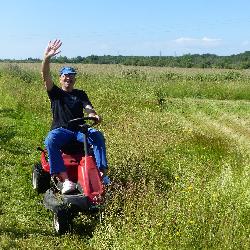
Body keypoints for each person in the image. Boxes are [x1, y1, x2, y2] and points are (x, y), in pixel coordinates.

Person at [41, 39, 109, 194]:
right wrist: (47, 58)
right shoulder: (55, 93)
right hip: (62, 130)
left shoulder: (80, 94)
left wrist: (93, 115)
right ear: (60, 78)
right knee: (50, 139)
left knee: (97, 135)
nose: (68, 78)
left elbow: (88, 108)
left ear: (75, 79)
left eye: (71, 76)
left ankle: (102, 174)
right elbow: (45, 76)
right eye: (65, 76)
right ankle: (65, 180)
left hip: (79, 131)